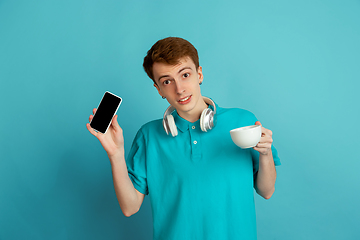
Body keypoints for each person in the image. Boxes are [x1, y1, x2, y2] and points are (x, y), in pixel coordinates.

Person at [86, 37, 281, 240]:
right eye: (167, 81)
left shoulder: (243, 121)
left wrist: (265, 153)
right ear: (158, 89)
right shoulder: (149, 136)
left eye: (185, 75)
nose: (179, 89)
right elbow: (130, 207)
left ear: (199, 74)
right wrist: (116, 154)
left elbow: (266, 191)